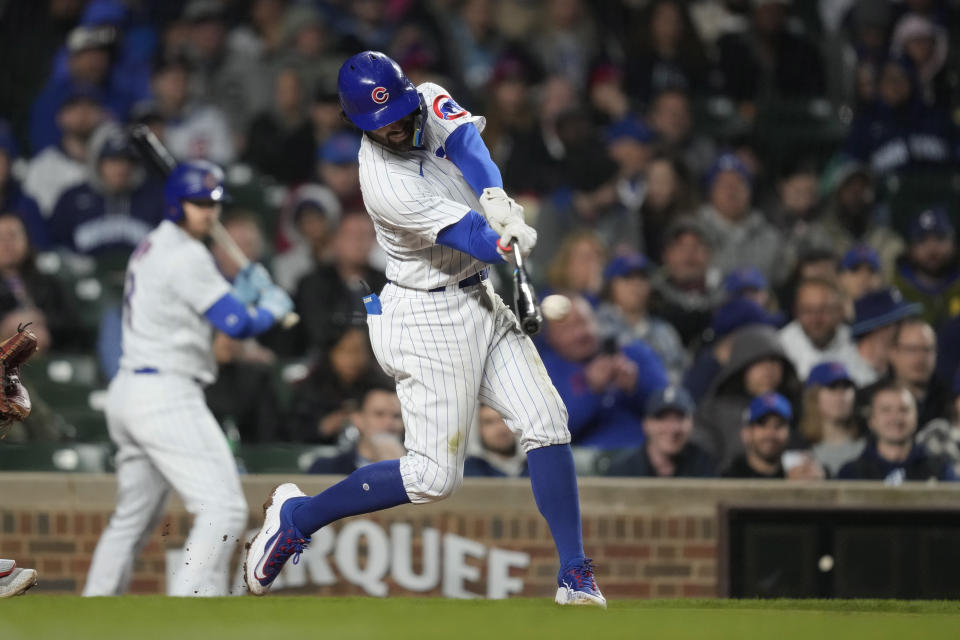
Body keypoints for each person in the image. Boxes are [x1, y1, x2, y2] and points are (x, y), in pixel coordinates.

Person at [244, 51, 606, 607]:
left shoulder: (426, 98)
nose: (394, 128)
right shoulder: (384, 182)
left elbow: (467, 145)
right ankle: (298, 516)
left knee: (546, 421)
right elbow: (468, 236)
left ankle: (574, 575)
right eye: (378, 126)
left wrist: (495, 197)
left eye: (398, 114)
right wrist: (502, 238)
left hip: (479, 298)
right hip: (426, 317)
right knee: (433, 479)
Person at [84, 160, 295, 597]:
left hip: (133, 391)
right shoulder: (186, 254)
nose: (209, 213)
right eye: (199, 203)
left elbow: (190, 304)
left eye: (214, 204)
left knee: (133, 519)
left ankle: (95, 605)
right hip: (164, 393)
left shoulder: (157, 244)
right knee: (224, 507)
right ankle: (189, 607)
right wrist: (268, 306)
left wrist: (239, 286)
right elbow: (235, 323)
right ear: (176, 205)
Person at [539, 294, 668, 450]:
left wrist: (635, 387)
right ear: (550, 338)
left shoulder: (634, 354)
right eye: (567, 329)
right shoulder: (544, 372)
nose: (580, 334)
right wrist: (591, 390)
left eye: (583, 322)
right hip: (583, 460)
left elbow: (670, 408)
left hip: (643, 454)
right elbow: (550, 432)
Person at [693, 324, 800, 471]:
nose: (768, 369)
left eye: (775, 361)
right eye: (760, 361)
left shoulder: (798, 407)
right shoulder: (713, 412)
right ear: (742, 366)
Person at [838, 381, 955, 482]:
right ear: (871, 421)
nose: (895, 418)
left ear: (916, 418)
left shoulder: (940, 471)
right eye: (886, 410)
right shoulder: (851, 474)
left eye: (903, 410)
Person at [595, 253, 686, 382]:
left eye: (643, 278)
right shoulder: (593, 325)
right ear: (611, 285)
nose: (636, 285)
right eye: (627, 277)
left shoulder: (665, 332)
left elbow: (678, 379)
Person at [695, 153, 783, 281]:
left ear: (750, 191)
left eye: (738, 183)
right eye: (723, 184)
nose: (731, 191)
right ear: (711, 191)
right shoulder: (693, 233)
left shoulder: (769, 236)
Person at [605, 386, 715, 478]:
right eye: (662, 419)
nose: (672, 428)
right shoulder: (623, 469)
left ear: (692, 424)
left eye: (679, 419)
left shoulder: (705, 463)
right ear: (646, 424)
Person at [857, 318, 947, 432]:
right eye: (911, 350)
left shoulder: (950, 401)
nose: (920, 358)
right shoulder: (867, 399)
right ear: (893, 353)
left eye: (927, 349)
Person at [722, 392, 822, 480]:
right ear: (746, 432)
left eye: (778, 425)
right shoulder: (729, 478)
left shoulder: (798, 474)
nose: (770, 433)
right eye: (762, 424)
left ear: (789, 433)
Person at [308, 384, 405, 475]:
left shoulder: (418, 471)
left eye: (397, 416)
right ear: (358, 419)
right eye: (379, 414)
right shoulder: (325, 469)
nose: (389, 423)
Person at [893, 206, 960, 329]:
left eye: (940, 238)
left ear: (954, 243)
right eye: (922, 240)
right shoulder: (895, 293)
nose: (932, 248)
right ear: (910, 248)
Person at [778, 278, 856, 380]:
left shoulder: (855, 341)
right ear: (796, 312)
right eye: (807, 311)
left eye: (824, 310)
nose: (816, 319)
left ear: (840, 311)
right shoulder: (781, 345)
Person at [799, 362, 865, 477]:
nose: (841, 395)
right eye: (832, 387)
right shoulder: (799, 446)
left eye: (846, 387)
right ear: (813, 396)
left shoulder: (869, 443)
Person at [847, 288, 922, 386]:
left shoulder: (894, 372)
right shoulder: (846, 374)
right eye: (899, 323)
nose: (906, 328)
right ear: (879, 330)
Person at [464, 404, 528, 478]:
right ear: (478, 429)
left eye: (505, 420)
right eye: (489, 422)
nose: (500, 428)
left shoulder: (535, 466)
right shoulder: (469, 472)